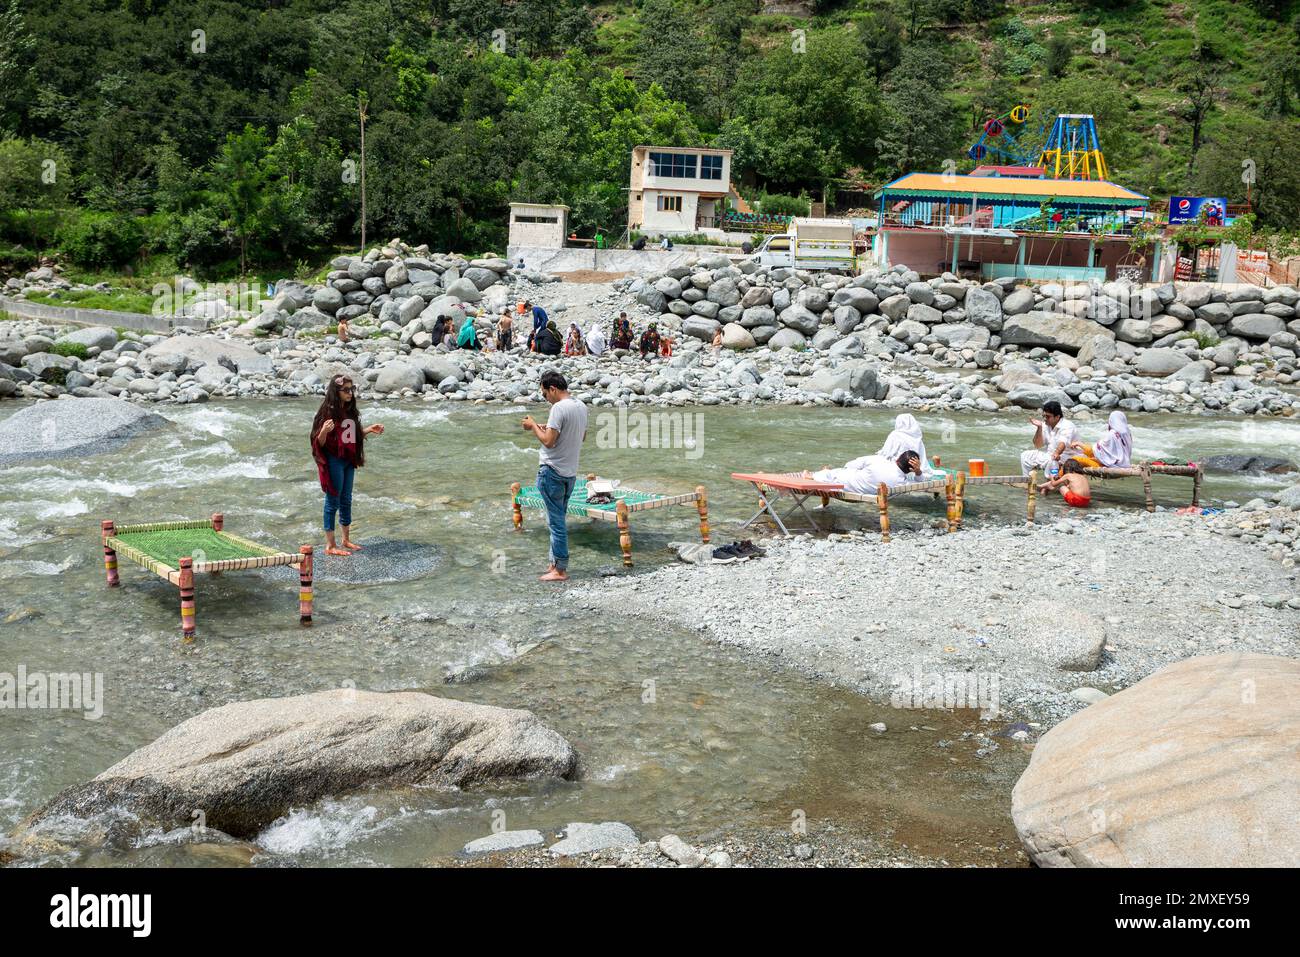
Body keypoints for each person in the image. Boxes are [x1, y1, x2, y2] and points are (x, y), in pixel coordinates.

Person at [522, 370, 587, 582]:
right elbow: (580, 436)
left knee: (556, 522)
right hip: (570, 474)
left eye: (544, 394)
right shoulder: (581, 406)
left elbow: (549, 442)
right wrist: (547, 427)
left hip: (552, 471)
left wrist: (532, 426)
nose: (545, 399)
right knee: (556, 519)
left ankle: (560, 569)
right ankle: (554, 564)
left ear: (553, 389)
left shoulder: (558, 408)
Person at [310, 375, 384, 557]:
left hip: (348, 460)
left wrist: (368, 430)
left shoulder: (350, 410)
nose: (350, 393)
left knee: (346, 499)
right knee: (332, 500)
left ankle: (345, 540)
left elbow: (350, 435)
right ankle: (330, 545)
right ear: (336, 392)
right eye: (346, 390)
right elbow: (318, 443)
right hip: (334, 459)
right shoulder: (327, 412)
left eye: (352, 389)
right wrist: (323, 432)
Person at [805, 450, 923, 496]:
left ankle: (812, 475)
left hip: (843, 482)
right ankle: (823, 473)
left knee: (837, 473)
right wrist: (918, 472)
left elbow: (850, 464)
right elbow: (920, 483)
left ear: (897, 458)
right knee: (838, 474)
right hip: (862, 493)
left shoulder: (879, 460)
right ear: (911, 470)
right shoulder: (901, 484)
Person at [1020, 400, 1079, 477]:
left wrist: (1056, 453)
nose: (1044, 419)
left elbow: (1063, 443)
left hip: (1068, 457)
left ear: (1057, 417)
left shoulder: (1067, 426)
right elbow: (1038, 445)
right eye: (1043, 416)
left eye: (1048, 416)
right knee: (1025, 455)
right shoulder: (1045, 425)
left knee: (1052, 461)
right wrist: (1039, 428)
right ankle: (1027, 481)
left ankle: (1052, 483)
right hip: (1050, 455)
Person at [876, 413, 941, 477]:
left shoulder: (895, 435)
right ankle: (937, 464)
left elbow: (886, 453)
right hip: (915, 468)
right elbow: (921, 456)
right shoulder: (917, 437)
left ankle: (936, 464)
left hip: (899, 468)